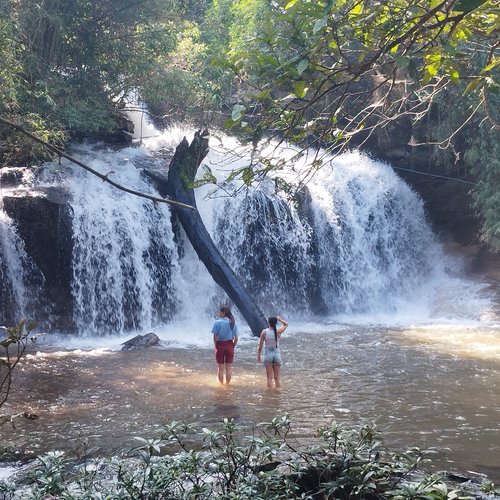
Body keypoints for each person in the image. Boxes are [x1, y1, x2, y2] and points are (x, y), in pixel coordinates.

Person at [257, 315, 288, 388]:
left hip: (268, 354)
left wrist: (258, 356)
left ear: (268, 322)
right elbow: (286, 324)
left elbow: (260, 346)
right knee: (277, 378)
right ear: (275, 323)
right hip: (276, 354)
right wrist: (280, 319)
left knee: (269, 378)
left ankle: (270, 396)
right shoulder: (278, 331)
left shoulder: (264, 332)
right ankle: (277, 395)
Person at [211, 304, 238, 384]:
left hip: (220, 345)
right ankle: (227, 385)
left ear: (224, 313)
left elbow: (215, 337)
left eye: (220, 312)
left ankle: (221, 386)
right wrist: (233, 346)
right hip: (230, 345)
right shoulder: (233, 323)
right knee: (228, 368)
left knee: (220, 368)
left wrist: (216, 346)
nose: (219, 314)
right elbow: (236, 338)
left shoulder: (217, 323)